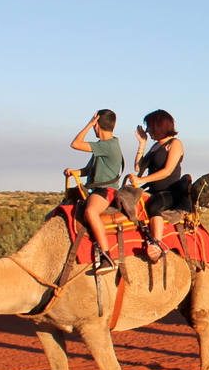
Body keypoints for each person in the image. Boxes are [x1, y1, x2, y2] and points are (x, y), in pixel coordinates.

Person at [64, 110, 124, 274]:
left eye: (94, 125)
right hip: (97, 189)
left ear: (97, 125)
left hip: (106, 190)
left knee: (91, 212)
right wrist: (74, 172)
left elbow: (75, 144)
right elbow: (88, 169)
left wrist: (89, 124)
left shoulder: (107, 145)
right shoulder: (103, 146)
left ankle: (107, 256)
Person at [128, 109, 188, 262]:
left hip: (171, 191)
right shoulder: (155, 146)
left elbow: (167, 171)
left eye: (149, 126)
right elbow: (138, 168)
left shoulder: (175, 144)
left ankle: (157, 244)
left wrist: (141, 181)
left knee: (154, 207)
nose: (147, 130)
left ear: (158, 125)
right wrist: (142, 144)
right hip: (154, 189)